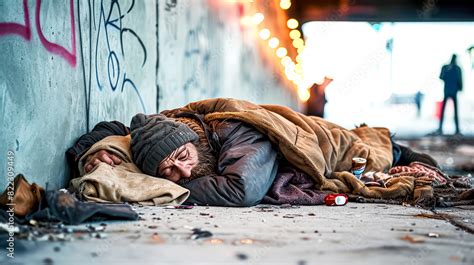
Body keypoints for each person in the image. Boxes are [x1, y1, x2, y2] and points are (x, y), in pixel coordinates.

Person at [67, 98, 439, 207]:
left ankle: (400, 150)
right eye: (169, 172)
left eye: (182, 158)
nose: (183, 173)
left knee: (393, 157)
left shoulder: (237, 132)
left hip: (344, 143)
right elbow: (118, 130)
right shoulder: (167, 129)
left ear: (192, 141)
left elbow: (242, 190)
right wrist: (88, 152)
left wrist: (153, 183)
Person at [437, 54, 463, 135]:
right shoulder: (453, 68)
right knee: (451, 111)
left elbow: (441, 77)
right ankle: (453, 129)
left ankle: (454, 129)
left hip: (449, 91)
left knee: (450, 111)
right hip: (451, 91)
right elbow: (460, 80)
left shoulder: (451, 68)